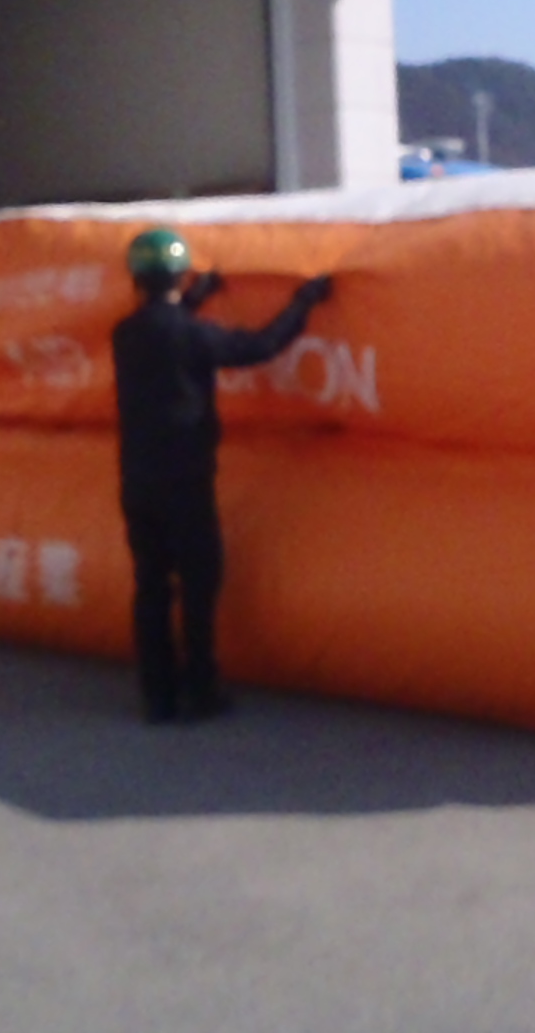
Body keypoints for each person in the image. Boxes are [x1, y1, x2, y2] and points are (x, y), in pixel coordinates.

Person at [110, 227, 332, 724]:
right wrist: (304, 303)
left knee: (151, 586)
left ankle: (158, 696)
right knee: (199, 584)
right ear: (179, 274)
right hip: (186, 481)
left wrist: (196, 296)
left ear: (136, 279)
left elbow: (166, 331)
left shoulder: (124, 334)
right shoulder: (194, 336)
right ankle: (202, 688)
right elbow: (261, 346)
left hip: (138, 480)